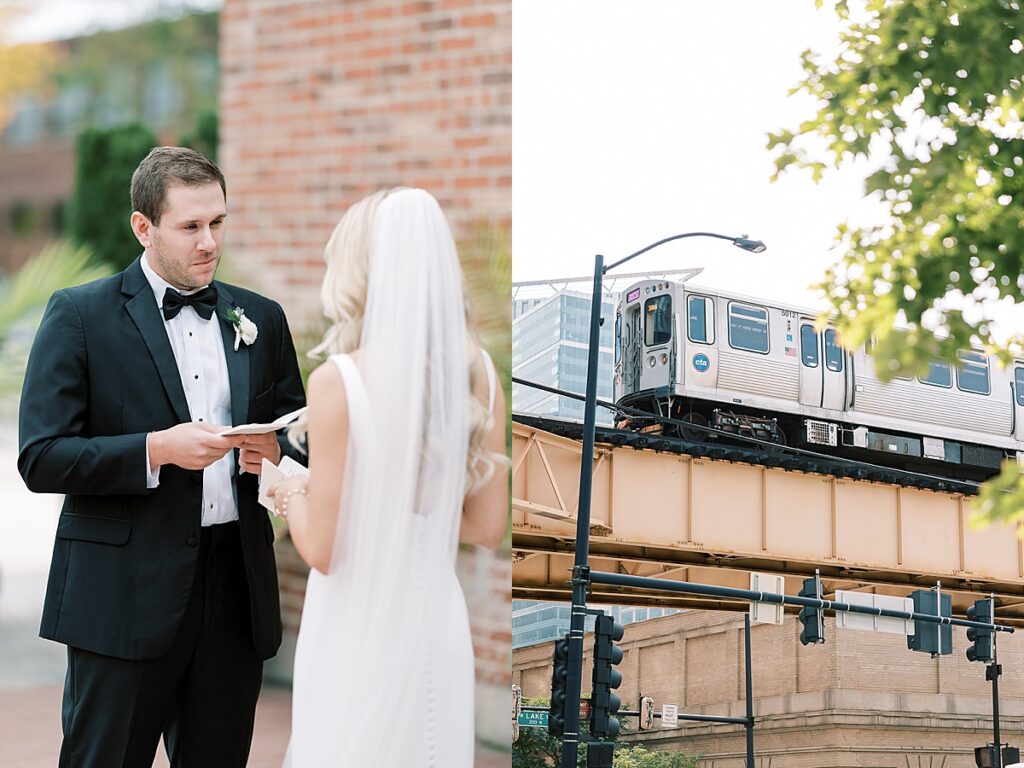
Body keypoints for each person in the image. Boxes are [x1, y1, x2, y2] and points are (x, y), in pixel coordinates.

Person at [18, 146, 306, 767]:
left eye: (218, 223)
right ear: (143, 227)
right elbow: (41, 456)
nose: (210, 242)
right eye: (191, 226)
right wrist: (155, 450)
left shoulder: (262, 318)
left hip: (235, 592)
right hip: (120, 597)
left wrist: (274, 455)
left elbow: (297, 435)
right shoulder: (78, 316)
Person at [269, 188, 509, 767]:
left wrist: (284, 487)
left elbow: (324, 550)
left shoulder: (338, 382)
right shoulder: (480, 377)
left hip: (356, 632)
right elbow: (486, 526)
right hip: (437, 630)